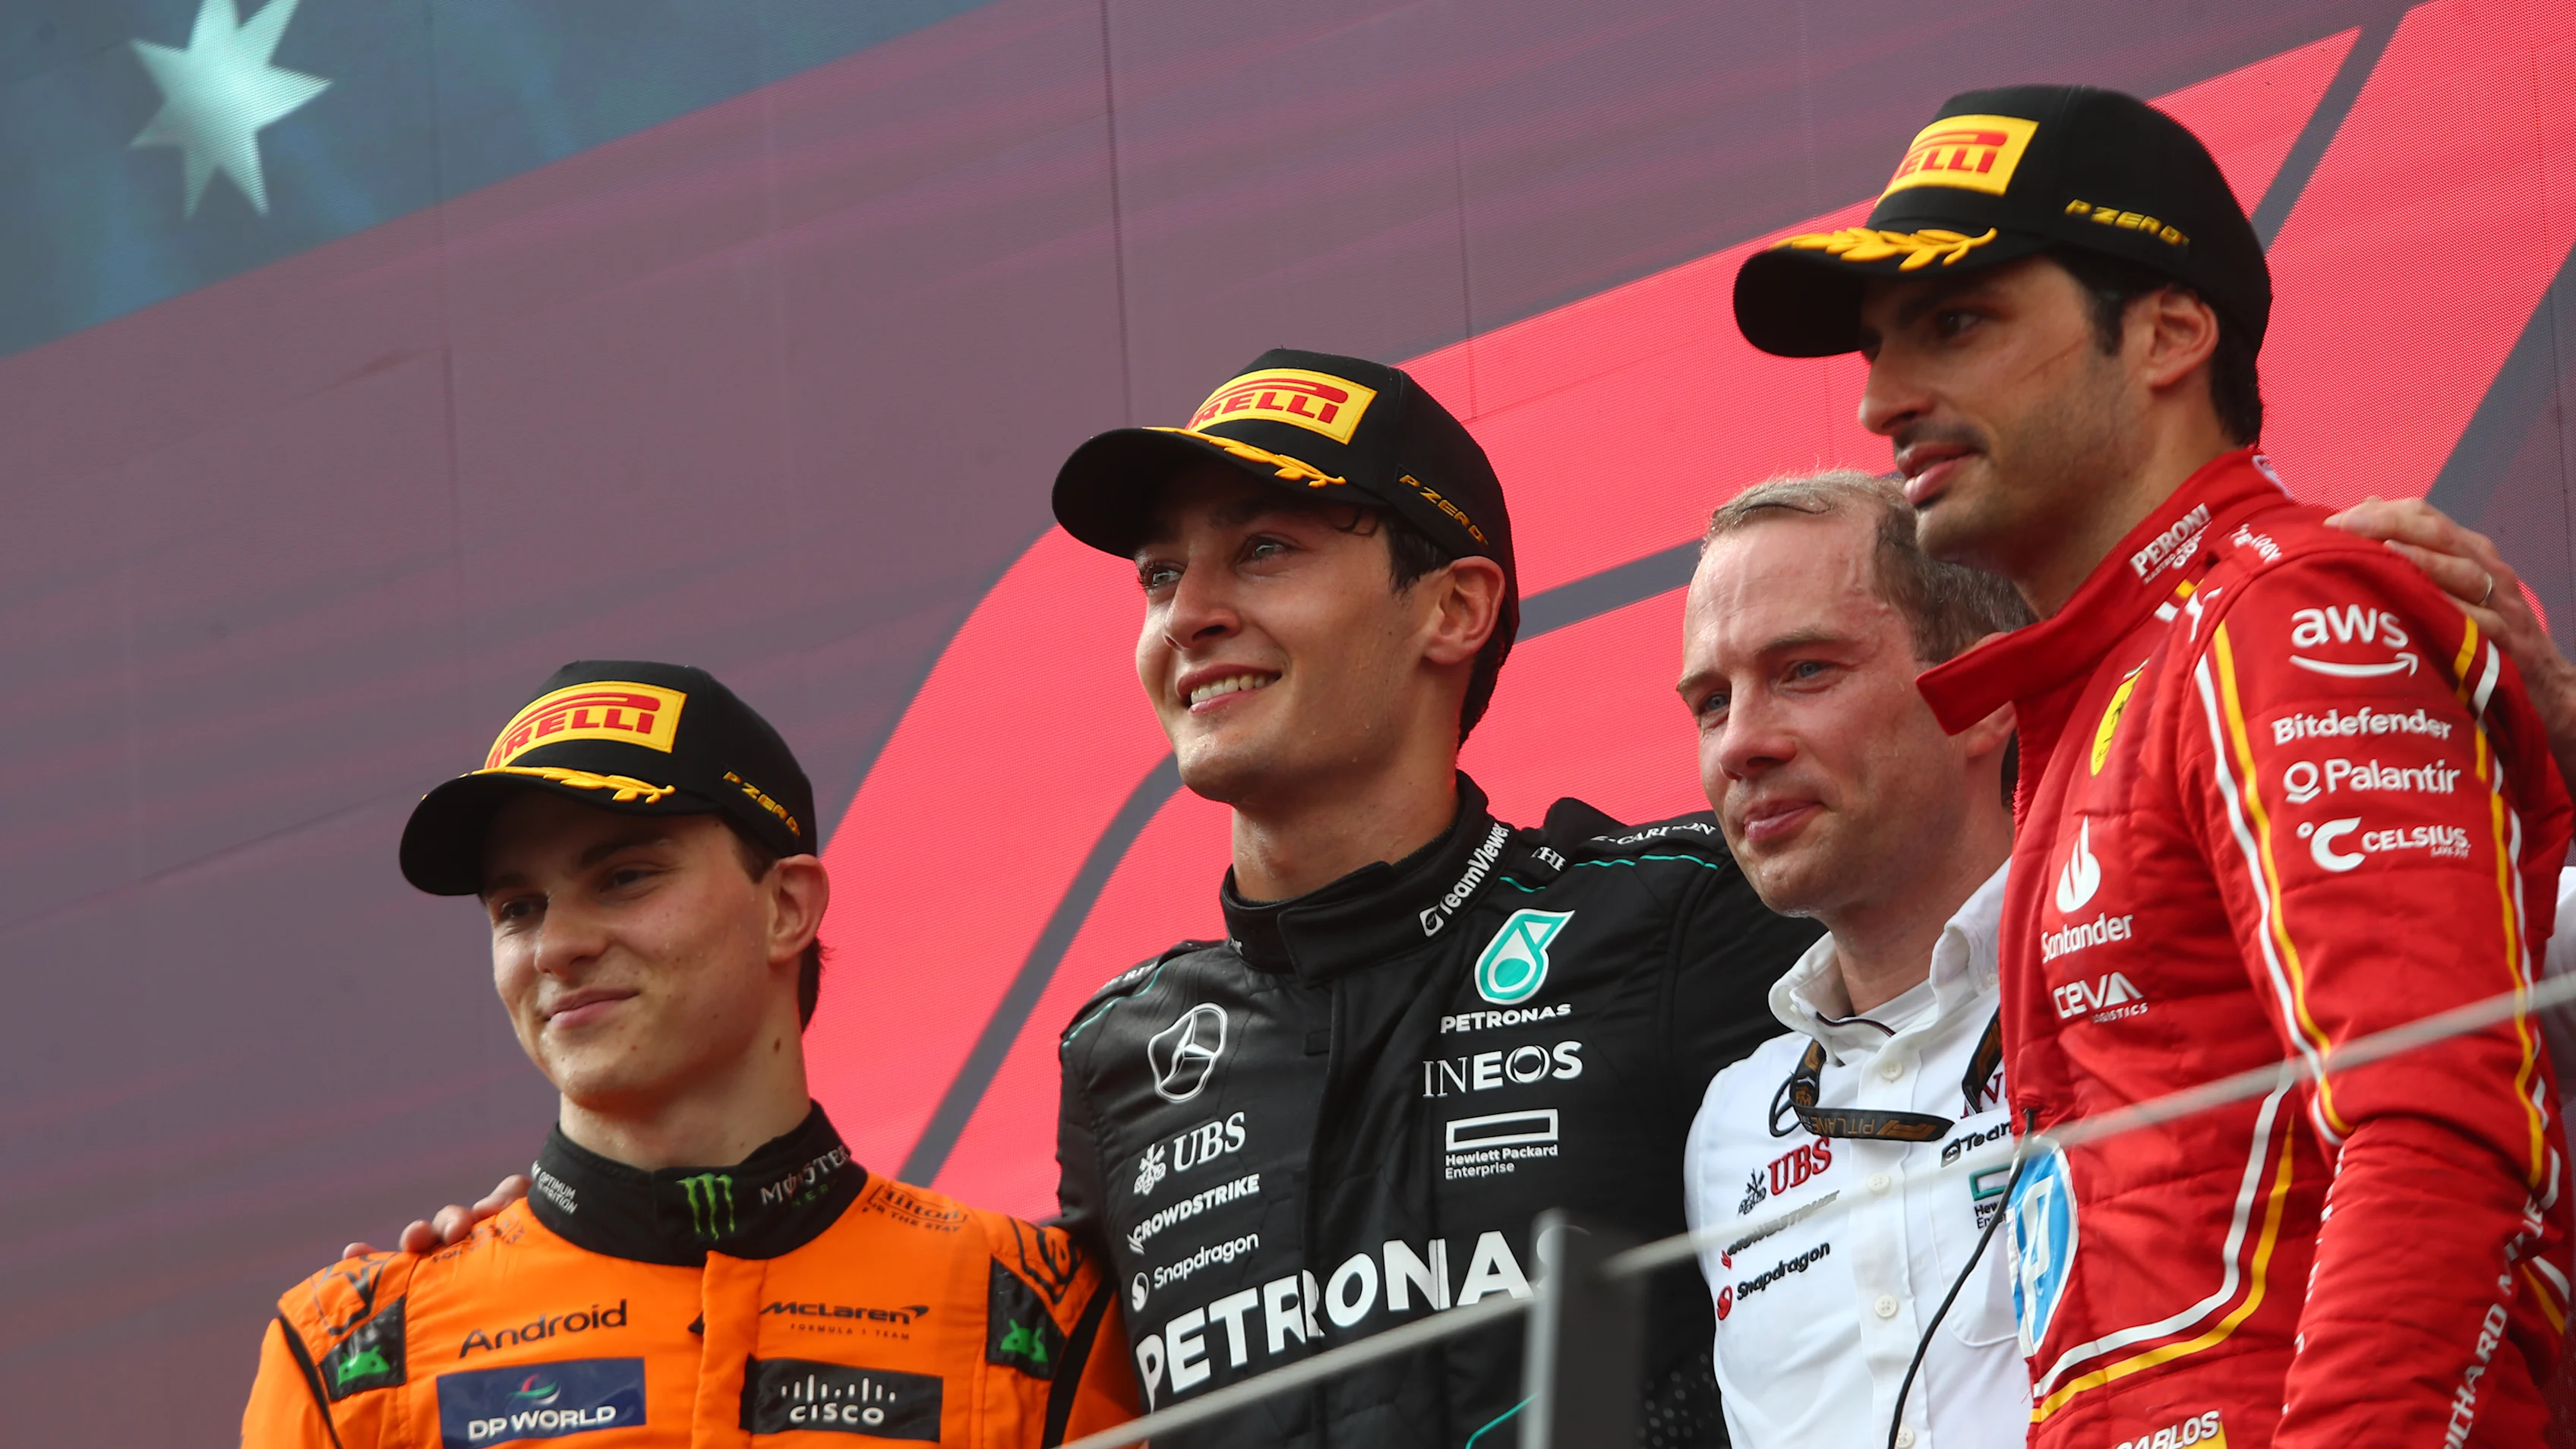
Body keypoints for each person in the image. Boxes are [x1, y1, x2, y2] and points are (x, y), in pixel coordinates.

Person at [1735, 84, 2575, 1445]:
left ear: (2171, 333)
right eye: (1881, 348)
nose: (1885, 402)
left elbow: (2435, 1125)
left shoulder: (2283, 620)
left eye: (1956, 323)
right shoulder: (2114, 684)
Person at [1041, 348, 1823, 1446]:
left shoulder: (1678, 912)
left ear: (1454, 609)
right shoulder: (1121, 1055)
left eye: (1264, 551)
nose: (1189, 616)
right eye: (1162, 575)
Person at [241, 661, 1136, 1448]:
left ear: (786, 907)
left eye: (623, 877)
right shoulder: (350, 1358)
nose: (556, 947)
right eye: (517, 907)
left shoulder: (1031, 1317)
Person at [1675, 472, 2030, 1449]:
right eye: (1709, 702)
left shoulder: (2143, 978)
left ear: (1983, 696)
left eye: (1804, 671)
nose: (1740, 743)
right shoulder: (1730, 1126)